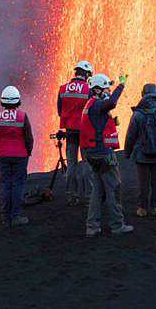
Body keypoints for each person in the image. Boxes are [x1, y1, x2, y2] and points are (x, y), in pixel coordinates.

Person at [79, 73, 133, 236]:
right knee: (114, 188)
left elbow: (97, 123)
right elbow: (112, 102)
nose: (107, 92)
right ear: (96, 89)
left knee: (98, 191)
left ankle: (92, 226)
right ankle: (117, 225)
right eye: (105, 89)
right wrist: (121, 85)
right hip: (102, 154)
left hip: (92, 154)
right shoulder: (96, 104)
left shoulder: (90, 104)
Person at [0, 85, 34, 227]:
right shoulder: (22, 116)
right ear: (18, 101)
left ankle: (5, 217)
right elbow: (29, 138)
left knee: (5, 185)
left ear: (3, 101)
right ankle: (15, 216)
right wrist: (28, 152)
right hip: (20, 156)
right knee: (17, 185)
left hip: (3, 156)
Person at [123, 82, 156, 217]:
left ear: (142, 95)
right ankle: (155, 207)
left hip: (142, 155)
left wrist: (127, 152)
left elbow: (131, 135)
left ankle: (142, 208)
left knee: (143, 183)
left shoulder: (138, 114)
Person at [57, 60, 93, 205]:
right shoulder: (89, 89)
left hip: (70, 131)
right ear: (86, 73)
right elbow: (93, 109)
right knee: (87, 163)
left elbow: (60, 111)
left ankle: (72, 195)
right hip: (85, 131)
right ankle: (89, 197)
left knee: (71, 164)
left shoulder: (63, 88)